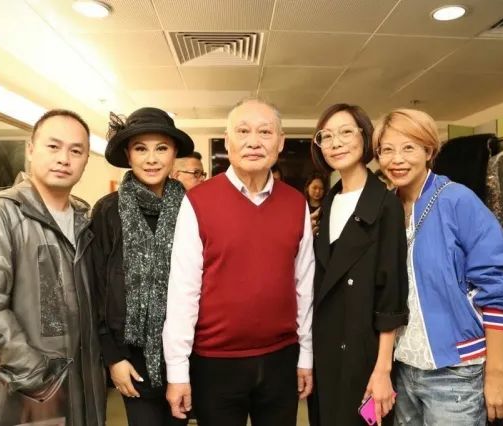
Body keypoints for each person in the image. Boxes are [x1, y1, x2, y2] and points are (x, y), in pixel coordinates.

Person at [163, 98, 314, 426]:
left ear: (280, 142)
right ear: (227, 140)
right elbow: (183, 291)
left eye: (265, 132)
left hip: (281, 359)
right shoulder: (198, 201)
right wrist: (177, 371)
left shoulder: (295, 202)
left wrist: (306, 355)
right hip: (215, 363)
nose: (254, 142)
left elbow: (304, 286)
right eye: (243, 131)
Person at [0, 109, 106, 425]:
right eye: (53, 146)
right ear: (31, 150)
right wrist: (41, 379)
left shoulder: (85, 223)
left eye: (76, 151)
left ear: (85, 161)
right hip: (29, 400)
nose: (64, 159)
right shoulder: (1, 215)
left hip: (86, 396)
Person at [373, 108, 503, 425]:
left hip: (456, 372)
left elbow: (497, 285)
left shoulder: (456, 200)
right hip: (404, 366)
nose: (396, 159)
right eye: (387, 150)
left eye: (408, 148)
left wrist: (496, 372)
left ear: (429, 151)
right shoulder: (387, 207)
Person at [90, 108, 194, 426]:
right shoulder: (108, 211)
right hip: (131, 356)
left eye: (161, 148)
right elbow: (96, 288)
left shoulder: (192, 208)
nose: (151, 159)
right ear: (128, 154)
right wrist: (113, 358)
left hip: (185, 354)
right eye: (140, 148)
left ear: (174, 153)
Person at [308, 103, 409, 426]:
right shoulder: (329, 202)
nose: (335, 143)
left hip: (364, 355)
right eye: (326, 136)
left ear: (365, 138)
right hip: (325, 349)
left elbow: (391, 295)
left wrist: (382, 370)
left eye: (345, 132)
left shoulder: (385, 205)